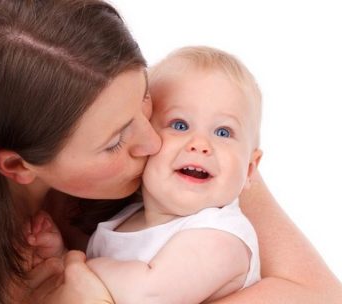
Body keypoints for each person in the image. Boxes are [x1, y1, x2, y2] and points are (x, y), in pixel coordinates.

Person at [0, 0, 342, 303]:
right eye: (115, 141)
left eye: (145, 101)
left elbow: (326, 298)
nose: (153, 141)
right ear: (17, 166)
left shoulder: (195, 148)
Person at [29, 46, 264, 304]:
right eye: (179, 125)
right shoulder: (125, 220)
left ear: (250, 169)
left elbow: (145, 295)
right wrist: (58, 258)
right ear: (145, 140)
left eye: (223, 132)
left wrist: (75, 265)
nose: (200, 144)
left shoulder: (221, 237)